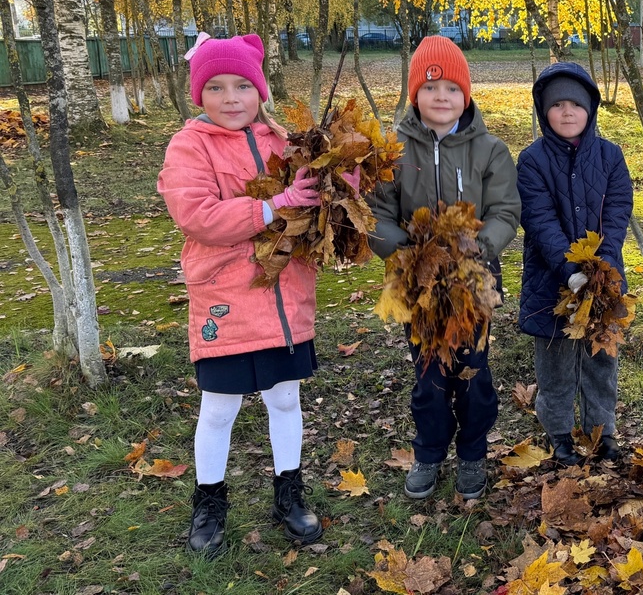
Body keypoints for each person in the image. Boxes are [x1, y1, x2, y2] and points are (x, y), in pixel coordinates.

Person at [158, 33, 342, 556]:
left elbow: (320, 186)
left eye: (243, 85)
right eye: (216, 87)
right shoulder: (188, 146)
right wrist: (273, 205)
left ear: (260, 90)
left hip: (284, 298)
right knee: (219, 407)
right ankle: (209, 500)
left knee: (285, 398)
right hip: (226, 297)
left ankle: (289, 491)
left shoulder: (281, 140)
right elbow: (196, 215)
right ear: (200, 94)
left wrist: (338, 176)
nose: (231, 97)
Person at [367, 36, 520, 500]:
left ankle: (472, 454)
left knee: (472, 371)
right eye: (432, 88)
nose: (442, 97)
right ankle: (429, 452)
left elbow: (506, 211)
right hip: (418, 284)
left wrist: (476, 250)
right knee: (429, 374)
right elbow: (374, 212)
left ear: (466, 96)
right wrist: (407, 255)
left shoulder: (489, 149)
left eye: (453, 89)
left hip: (474, 281)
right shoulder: (393, 148)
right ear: (415, 93)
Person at [517, 62, 634, 466]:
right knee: (556, 365)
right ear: (544, 111)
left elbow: (618, 209)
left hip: (603, 281)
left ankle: (604, 432)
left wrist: (600, 267)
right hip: (551, 281)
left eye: (576, 105)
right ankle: (561, 434)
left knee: (601, 361)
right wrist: (570, 271)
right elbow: (538, 219)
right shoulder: (531, 161)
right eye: (558, 105)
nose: (567, 112)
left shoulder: (610, 156)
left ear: (591, 109)